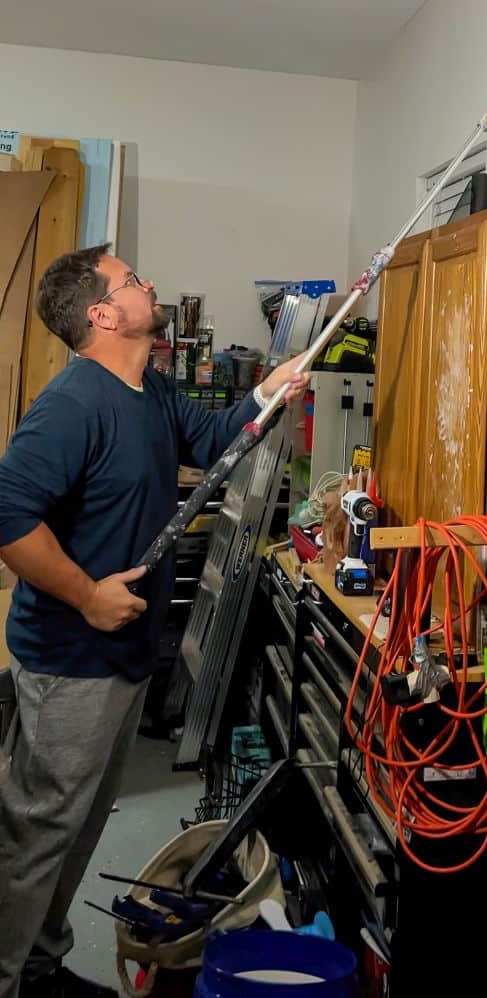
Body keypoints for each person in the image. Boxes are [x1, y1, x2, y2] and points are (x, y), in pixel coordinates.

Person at [0, 245, 308, 998]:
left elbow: (215, 443)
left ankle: (38, 967)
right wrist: (85, 594)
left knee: (73, 829)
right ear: (104, 314)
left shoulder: (151, 391)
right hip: (72, 655)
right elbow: (8, 516)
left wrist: (268, 393)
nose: (150, 285)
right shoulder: (74, 404)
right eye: (133, 280)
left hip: (120, 656)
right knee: (38, 836)